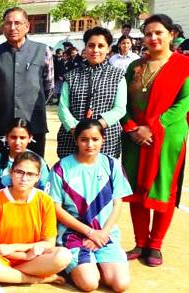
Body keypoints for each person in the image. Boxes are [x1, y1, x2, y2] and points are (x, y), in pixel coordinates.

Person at [122, 14, 189, 267]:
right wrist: (130, 126)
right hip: (134, 138)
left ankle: (155, 245)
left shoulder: (185, 65)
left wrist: (153, 127)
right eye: (148, 33)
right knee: (135, 188)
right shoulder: (135, 67)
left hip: (167, 137)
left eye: (158, 32)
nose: (153, 38)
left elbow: (185, 102)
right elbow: (123, 101)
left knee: (163, 187)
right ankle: (140, 242)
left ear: (171, 34)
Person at [50, 119, 131, 292]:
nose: (90, 144)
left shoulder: (113, 165)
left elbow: (118, 204)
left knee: (121, 284)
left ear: (103, 139)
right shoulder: (61, 168)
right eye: (84, 139)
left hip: (105, 235)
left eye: (95, 139)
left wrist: (101, 234)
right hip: (74, 236)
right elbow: (56, 208)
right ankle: (80, 267)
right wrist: (89, 232)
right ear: (76, 140)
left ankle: (98, 263)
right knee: (89, 284)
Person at [0, 152, 71, 285]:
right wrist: (21, 255)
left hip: (33, 257)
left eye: (30, 174)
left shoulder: (45, 201)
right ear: (11, 173)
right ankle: (36, 279)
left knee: (63, 256)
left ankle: (11, 274)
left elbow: (49, 243)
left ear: (38, 177)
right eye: (19, 172)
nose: (24, 178)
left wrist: (15, 248)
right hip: (2, 256)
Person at [0, 7, 54, 158]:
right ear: (2, 27)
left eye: (17, 23)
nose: (12, 27)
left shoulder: (43, 51)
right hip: (2, 125)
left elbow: (48, 88)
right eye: (8, 23)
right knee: (1, 170)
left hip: (33, 124)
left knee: (32, 170)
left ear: (27, 26)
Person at [57, 27, 127, 159]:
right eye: (91, 45)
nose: (95, 50)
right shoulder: (71, 76)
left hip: (106, 139)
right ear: (85, 47)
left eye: (101, 46)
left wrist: (94, 129)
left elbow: (120, 109)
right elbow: (63, 108)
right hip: (72, 137)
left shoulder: (118, 76)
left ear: (108, 49)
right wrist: (74, 128)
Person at [0, 118, 50, 197]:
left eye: (22, 138)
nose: (17, 142)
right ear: (6, 137)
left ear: (30, 138)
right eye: (13, 137)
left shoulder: (39, 163)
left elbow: (46, 196)